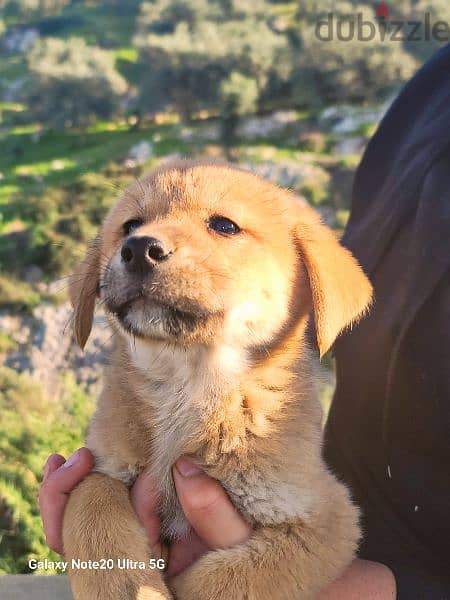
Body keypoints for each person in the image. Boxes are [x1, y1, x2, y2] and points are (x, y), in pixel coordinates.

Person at [40, 44, 450, 599]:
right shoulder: (428, 94)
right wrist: (99, 554)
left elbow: (321, 531)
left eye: (224, 226)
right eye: (131, 225)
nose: (145, 243)